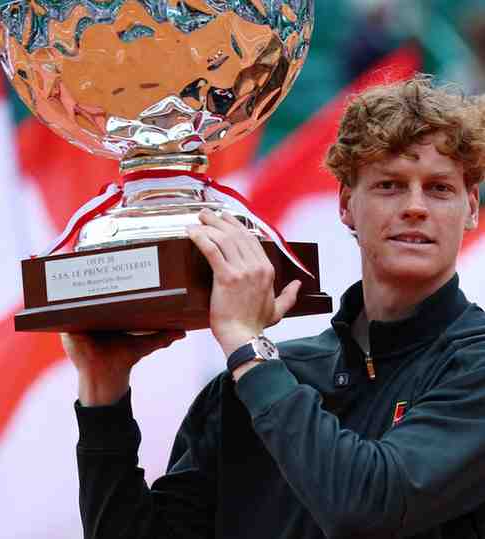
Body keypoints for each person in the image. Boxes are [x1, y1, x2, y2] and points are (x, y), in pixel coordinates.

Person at [62, 75, 485, 538]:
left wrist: (247, 347)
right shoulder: (256, 384)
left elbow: (367, 507)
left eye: (439, 188)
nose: (416, 207)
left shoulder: (474, 365)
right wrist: (103, 395)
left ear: (471, 208)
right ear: (346, 204)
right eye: (390, 185)